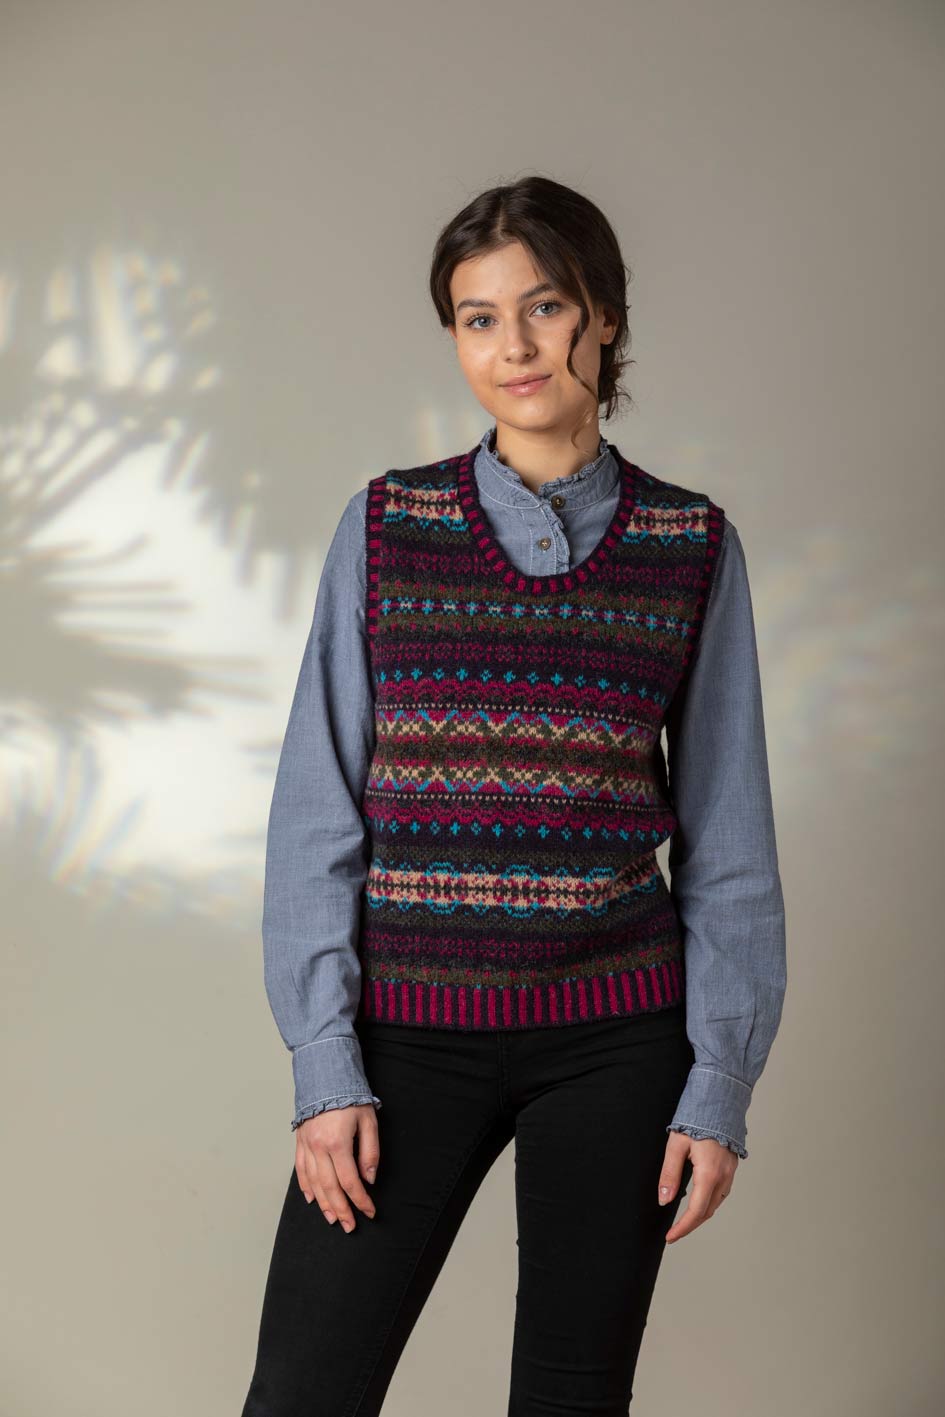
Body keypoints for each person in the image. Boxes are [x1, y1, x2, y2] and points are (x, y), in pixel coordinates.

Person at [241, 174, 786, 1416]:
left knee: (571, 1402)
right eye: (478, 318)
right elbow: (317, 812)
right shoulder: (387, 526)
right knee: (302, 1393)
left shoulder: (690, 546)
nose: (515, 346)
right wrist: (325, 1063)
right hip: (402, 1039)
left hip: (616, 1039)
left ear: (603, 314)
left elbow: (729, 842)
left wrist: (720, 1082)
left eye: (544, 306)